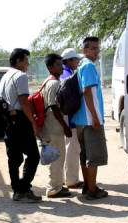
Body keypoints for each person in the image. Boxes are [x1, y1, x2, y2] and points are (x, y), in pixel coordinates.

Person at [0, 48, 42, 203]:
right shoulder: (20, 76)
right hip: (20, 120)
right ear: (18, 61)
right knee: (33, 155)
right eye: (26, 60)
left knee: (14, 158)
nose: (28, 64)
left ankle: (17, 190)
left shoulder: (5, 76)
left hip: (8, 121)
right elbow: (24, 102)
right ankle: (24, 188)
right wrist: (34, 123)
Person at [72, 37, 108, 200]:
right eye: (93, 48)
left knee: (85, 155)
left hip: (81, 119)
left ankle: (88, 186)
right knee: (93, 156)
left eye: (97, 48)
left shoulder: (81, 66)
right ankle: (92, 190)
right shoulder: (88, 66)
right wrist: (95, 117)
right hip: (89, 119)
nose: (96, 51)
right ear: (85, 50)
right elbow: (87, 91)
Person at [41, 53, 72, 198]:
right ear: (50, 67)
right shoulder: (54, 83)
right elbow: (54, 106)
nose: (61, 67)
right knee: (56, 158)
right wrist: (65, 127)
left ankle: (57, 185)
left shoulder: (49, 81)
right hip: (54, 127)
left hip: (50, 127)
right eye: (58, 64)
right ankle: (54, 188)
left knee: (56, 158)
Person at [60, 48, 84, 189]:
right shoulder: (68, 75)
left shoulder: (63, 73)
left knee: (68, 148)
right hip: (70, 118)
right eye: (75, 59)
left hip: (64, 117)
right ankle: (72, 179)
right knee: (73, 148)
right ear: (69, 60)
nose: (77, 61)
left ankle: (65, 177)